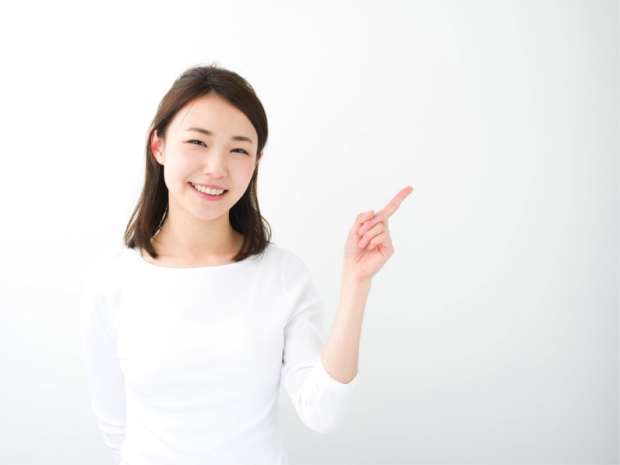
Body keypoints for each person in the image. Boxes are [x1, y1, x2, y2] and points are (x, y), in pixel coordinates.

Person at [79, 63, 412, 465]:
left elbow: (322, 412)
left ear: (256, 161)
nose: (216, 168)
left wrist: (355, 283)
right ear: (159, 146)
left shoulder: (283, 275)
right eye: (198, 142)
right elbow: (117, 433)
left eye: (238, 149)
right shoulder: (113, 282)